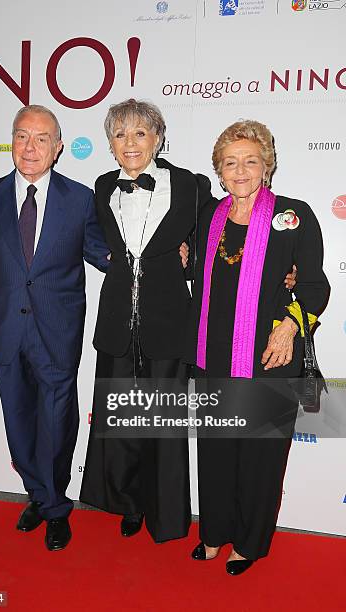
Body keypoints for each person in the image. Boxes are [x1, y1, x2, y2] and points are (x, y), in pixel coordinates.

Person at [184, 120, 330, 574]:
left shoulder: (295, 215)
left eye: (251, 161)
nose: (240, 170)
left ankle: (249, 542)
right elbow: (197, 274)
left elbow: (314, 288)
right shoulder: (208, 216)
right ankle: (214, 532)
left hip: (270, 355)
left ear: (267, 166)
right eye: (230, 162)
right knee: (216, 450)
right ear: (219, 170)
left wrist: (289, 326)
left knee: (260, 456)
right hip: (214, 354)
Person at [0, 104, 110, 551]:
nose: (30, 147)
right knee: (19, 421)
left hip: (57, 333)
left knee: (57, 421)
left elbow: (103, 253)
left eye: (41, 138)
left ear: (58, 148)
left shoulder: (81, 198)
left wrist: (159, 258)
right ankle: (39, 495)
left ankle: (55, 508)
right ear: (11, 141)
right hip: (4, 330)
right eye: (22, 136)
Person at [79, 99, 215, 543]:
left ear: (158, 138)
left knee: (163, 425)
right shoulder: (101, 187)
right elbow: (95, 240)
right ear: (110, 144)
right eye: (120, 135)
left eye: (140, 133)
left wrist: (190, 256)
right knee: (122, 422)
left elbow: (220, 235)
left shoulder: (191, 186)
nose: (130, 143)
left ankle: (168, 513)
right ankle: (128, 503)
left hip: (168, 321)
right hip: (118, 321)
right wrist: (110, 259)